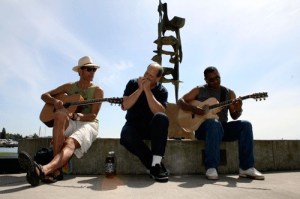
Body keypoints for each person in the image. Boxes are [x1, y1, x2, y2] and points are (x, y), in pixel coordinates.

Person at [18, 56, 104, 186]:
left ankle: (44, 170)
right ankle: (56, 171)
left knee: (69, 142)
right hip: (71, 119)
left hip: (88, 123)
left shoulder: (98, 91)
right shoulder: (69, 86)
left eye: (94, 70)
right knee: (59, 114)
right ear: (80, 71)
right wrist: (55, 101)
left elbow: (93, 115)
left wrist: (78, 116)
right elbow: (44, 95)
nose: (92, 72)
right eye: (89, 69)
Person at [177, 66, 264, 180]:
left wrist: (239, 108)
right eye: (211, 80)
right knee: (213, 123)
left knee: (246, 125)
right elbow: (180, 101)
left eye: (217, 78)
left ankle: (246, 168)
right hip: (204, 128)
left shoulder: (228, 93)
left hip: (223, 128)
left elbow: (234, 116)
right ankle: (211, 167)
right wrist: (194, 110)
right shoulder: (199, 89)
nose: (215, 81)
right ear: (206, 80)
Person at [120, 62, 169, 183]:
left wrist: (147, 91)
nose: (146, 77)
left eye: (151, 76)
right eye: (146, 73)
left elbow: (160, 111)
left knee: (161, 117)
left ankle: (156, 164)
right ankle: (156, 166)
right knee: (126, 135)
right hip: (133, 126)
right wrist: (140, 89)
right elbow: (125, 105)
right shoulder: (132, 83)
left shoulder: (162, 90)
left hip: (152, 129)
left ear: (158, 78)